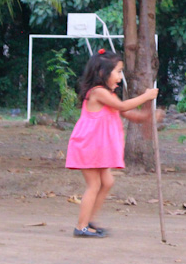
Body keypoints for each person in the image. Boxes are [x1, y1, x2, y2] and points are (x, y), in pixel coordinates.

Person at [66, 49, 159, 238]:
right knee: (94, 185)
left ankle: (89, 221)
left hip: (98, 147)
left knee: (107, 182)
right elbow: (124, 107)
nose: (120, 76)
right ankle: (81, 226)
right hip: (89, 145)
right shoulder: (98, 92)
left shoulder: (109, 94)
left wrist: (148, 116)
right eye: (117, 71)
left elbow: (129, 113)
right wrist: (147, 97)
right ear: (102, 73)